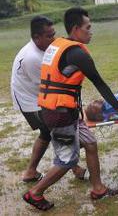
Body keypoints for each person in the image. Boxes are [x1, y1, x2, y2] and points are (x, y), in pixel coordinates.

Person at [22, 8, 118, 211]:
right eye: (88, 27)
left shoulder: (57, 45)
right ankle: (35, 193)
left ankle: (98, 189)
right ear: (75, 29)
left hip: (64, 110)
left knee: (90, 143)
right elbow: (99, 83)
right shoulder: (77, 53)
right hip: (59, 114)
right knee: (67, 159)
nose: (91, 31)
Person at [11, 16, 86, 183]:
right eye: (48, 36)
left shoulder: (44, 49)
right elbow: (51, 86)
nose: (53, 39)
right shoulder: (32, 57)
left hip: (38, 95)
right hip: (29, 100)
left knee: (48, 132)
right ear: (36, 37)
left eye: (54, 34)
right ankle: (72, 165)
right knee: (54, 129)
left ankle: (32, 171)